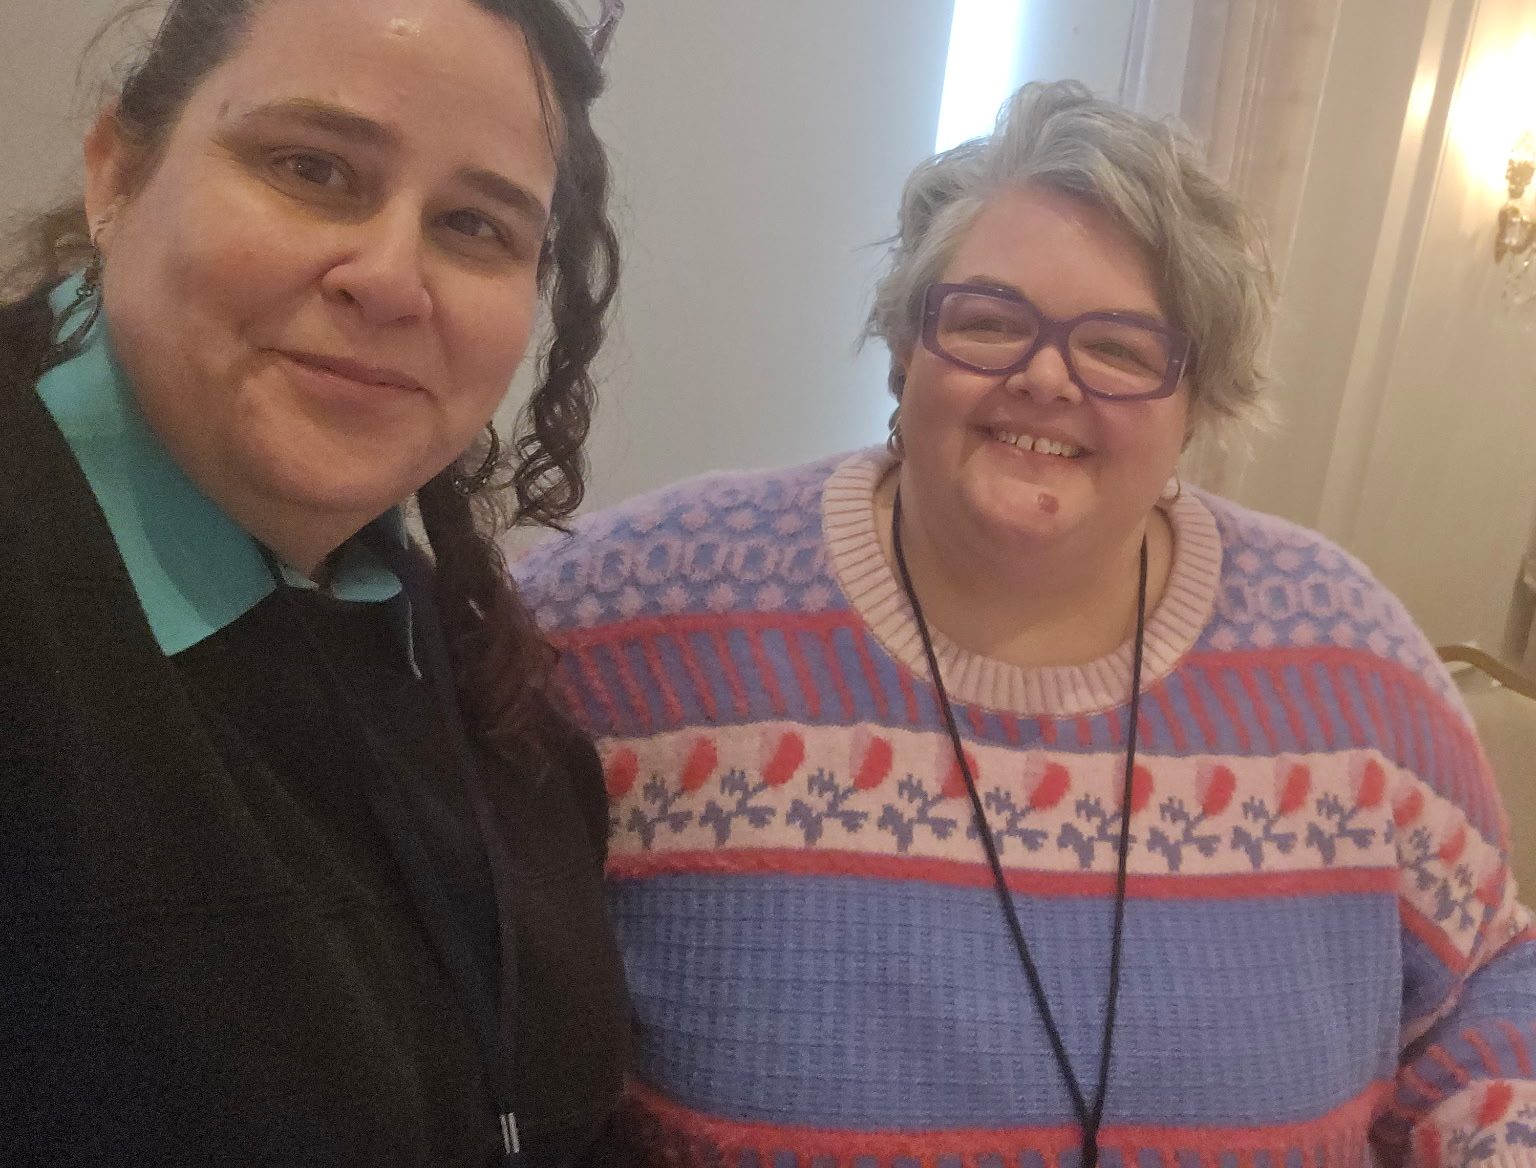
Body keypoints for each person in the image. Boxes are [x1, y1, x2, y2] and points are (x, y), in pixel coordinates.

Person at [514, 80, 1536, 1167]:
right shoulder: (630, 622)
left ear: (1198, 406)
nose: (1046, 376)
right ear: (904, 349)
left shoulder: (1350, 660)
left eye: (1123, 349)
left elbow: (1490, 981)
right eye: (989, 322)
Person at [1, 0, 631, 1166]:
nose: (389, 278)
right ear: (116, 171)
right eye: (311, 169)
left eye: (474, 226)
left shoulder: (474, 686)